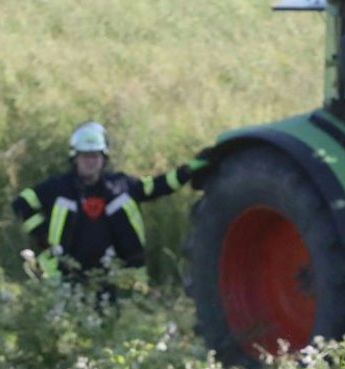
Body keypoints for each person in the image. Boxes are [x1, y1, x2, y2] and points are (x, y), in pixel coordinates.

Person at [11, 121, 203, 288]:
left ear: (104, 159)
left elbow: (156, 187)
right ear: (75, 158)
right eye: (85, 156)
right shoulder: (58, 187)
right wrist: (44, 239)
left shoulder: (120, 185)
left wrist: (190, 169)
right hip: (65, 274)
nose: (90, 161)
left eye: (95, 156)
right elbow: (21, 204)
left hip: (120, 277)